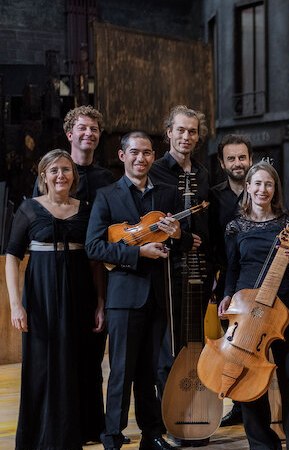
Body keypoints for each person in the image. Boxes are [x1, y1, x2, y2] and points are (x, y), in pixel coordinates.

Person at [86, 131, 191, 450]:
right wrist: (136, 254)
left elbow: (183, 243)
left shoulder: (170, 193)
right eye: (134, 152)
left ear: (153, 155)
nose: (141, 158)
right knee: (121, 371)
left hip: (159, 296)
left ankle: (152, 433)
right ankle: (112, 435)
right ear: (122, 156)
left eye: (147, 152)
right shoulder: (107, 195)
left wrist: (177, 236)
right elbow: (94, 247)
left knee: (150, 371)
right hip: (124, 298)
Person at [218, 161, 289, 450]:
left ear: (275, 188)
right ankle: (261, 442)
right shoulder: (235, 226)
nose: (263, 189)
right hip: (245, 306)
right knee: (247, 372)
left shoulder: (286, 222)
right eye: (258, 184)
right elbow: (231, 265)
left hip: (281, 305)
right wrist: (226, 294)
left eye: (269, 184)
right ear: (248, 188)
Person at [6, 149, 106, 449]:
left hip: (80, 295)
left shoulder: (87, 209)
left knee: (82, 361)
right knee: (42, 364)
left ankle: (81, 430)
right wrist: (15, 304)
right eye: (54, 170)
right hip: (41, 297)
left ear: (74, 175)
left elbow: (95, 262)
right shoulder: (28, 210)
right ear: (43, 176)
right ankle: (43, 434)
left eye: (66, 169)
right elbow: (12, 256)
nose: (61, 175)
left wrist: (101, 302)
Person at [31, 105, 115, 444]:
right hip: (55, 274)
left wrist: (101, 297)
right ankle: (58, 427)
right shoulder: (52, 172)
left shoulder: (107, 179)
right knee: (56, 358)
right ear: (69, 134)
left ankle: (91, 426)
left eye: (94, 129)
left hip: (92, 272)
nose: (88, 134)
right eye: (82, 128)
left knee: (91, 357)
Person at [208, 133, 253, 427]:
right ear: (223, 163)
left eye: (242, 157)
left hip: (258, 277)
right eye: (232, 158)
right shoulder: (213, 196)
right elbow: (212, 241)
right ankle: (239, 404)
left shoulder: (263, 188)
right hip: (228, 281)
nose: (238, 163)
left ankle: (266, 405)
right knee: (234, 347)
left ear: (250, 158)